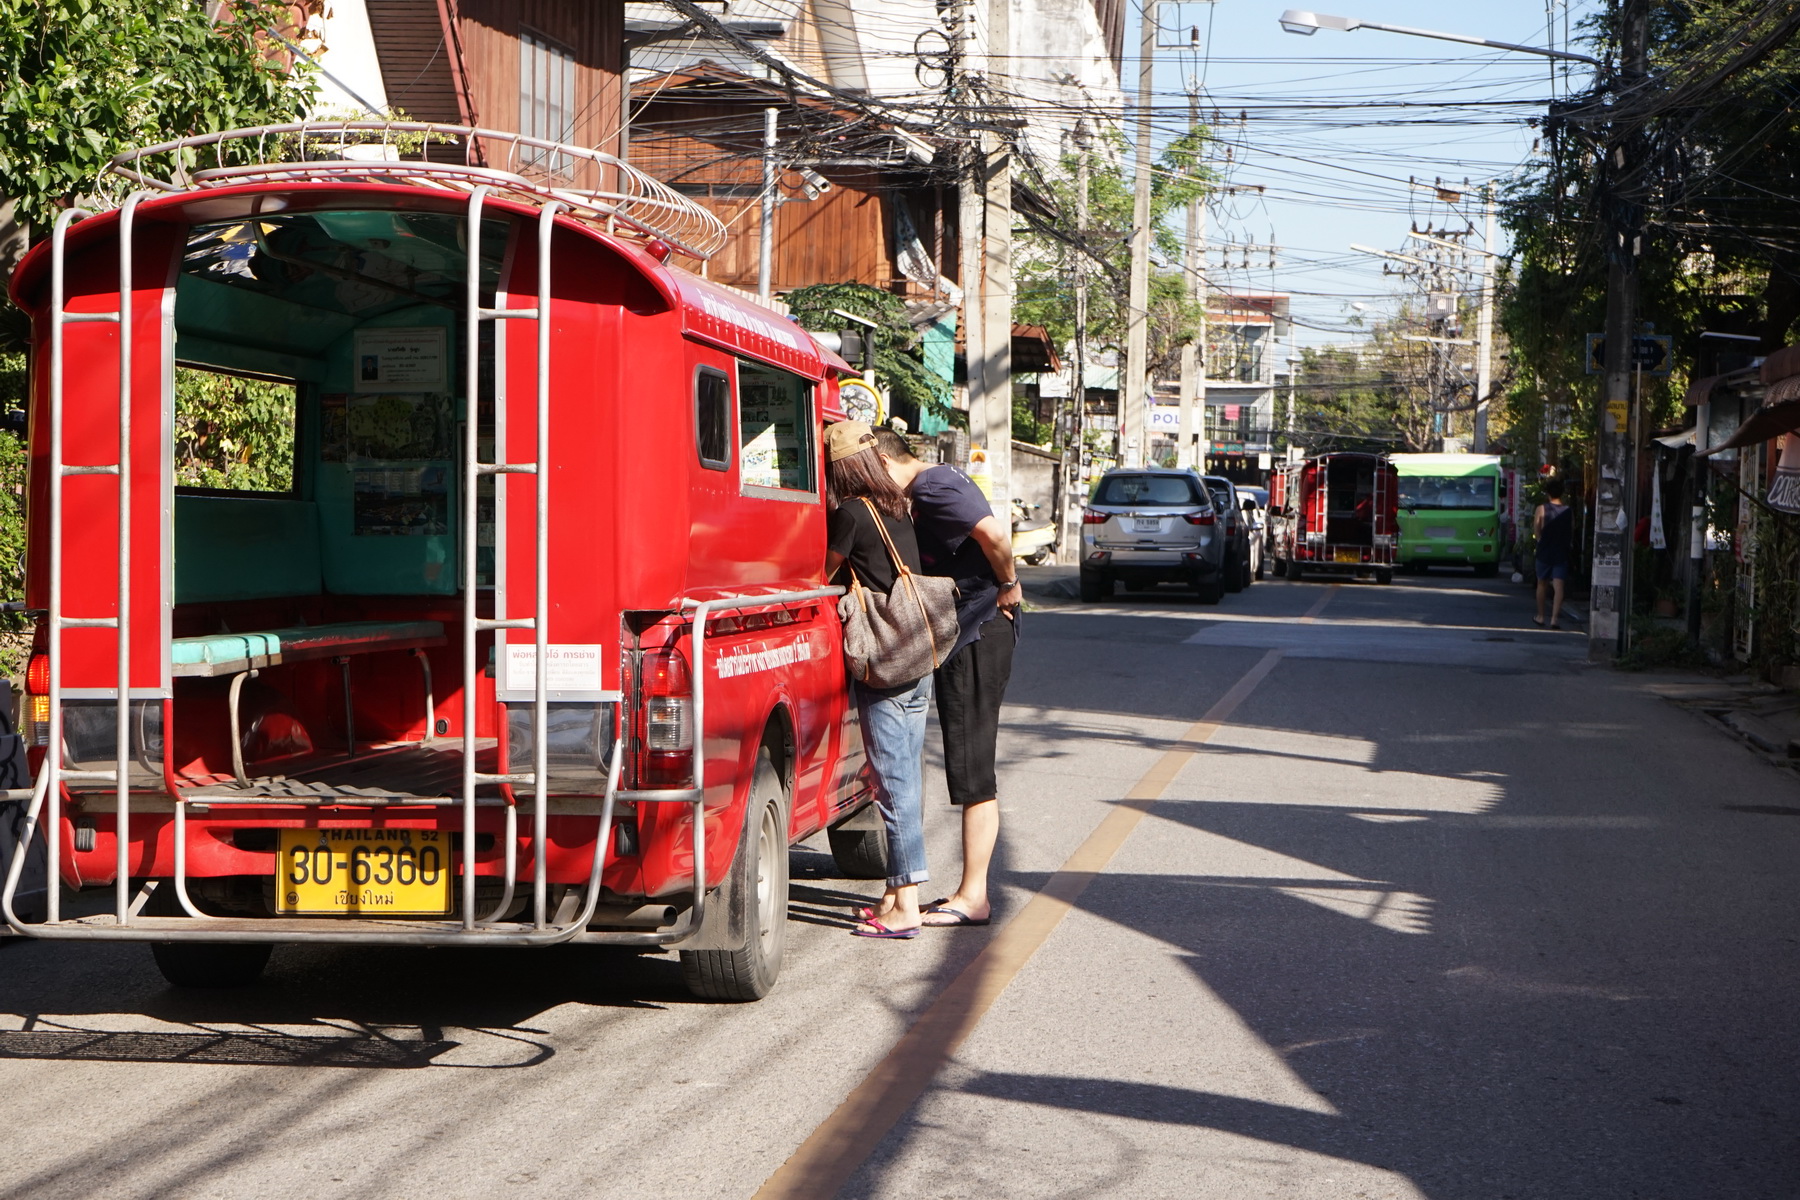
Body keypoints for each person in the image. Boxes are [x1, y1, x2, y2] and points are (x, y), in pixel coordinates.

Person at [873, 427, 1018, 929]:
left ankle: (973, 895)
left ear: (887, 463)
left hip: (979, 630)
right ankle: (968, 891)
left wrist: (1010, 584)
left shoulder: (933, 489)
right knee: (966, 759)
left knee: (971, 763)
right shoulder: (933, 482)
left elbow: (996, 534)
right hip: (973, 629)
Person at [824, 421, 934, 940]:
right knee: (906, 778)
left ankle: (906, 904)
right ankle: (894, 892)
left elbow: (823, 572)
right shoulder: (895, 506)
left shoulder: (849, 512)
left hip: (885, 664)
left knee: (892, 787)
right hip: (917, 660)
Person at [1534, 478, 1573, 630]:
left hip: (1545, 550)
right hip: (1561, 551)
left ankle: (1541, 616)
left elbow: (1537, 531)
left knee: (1542, 583)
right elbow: (1571, 530)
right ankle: (1555, 619)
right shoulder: (1568, 511)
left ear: (1548, 493)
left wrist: (1541, 542)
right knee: (1559, 586)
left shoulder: (1541, 509)